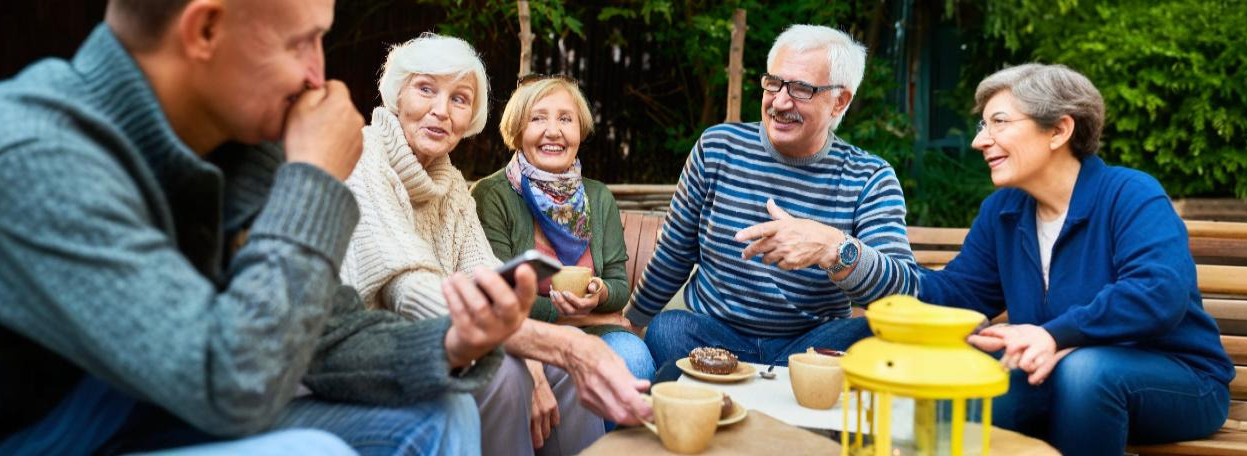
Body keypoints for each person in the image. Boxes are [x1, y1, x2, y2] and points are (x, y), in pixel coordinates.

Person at [0, 0, 532, 454]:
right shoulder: (29, 155)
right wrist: (315, 184)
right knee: (307, 452)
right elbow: (233, 383)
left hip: (113, 418)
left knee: (439, 416)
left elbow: (324, 337)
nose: (320, 74)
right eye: (304, 42)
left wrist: (450, 340)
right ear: (204, 28)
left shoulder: (235, 145)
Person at [336, 35, 651, 455]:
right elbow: (413, 293)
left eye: (459, 99)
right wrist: (558, 344)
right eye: (426, 88)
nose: (441, 111)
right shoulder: (364, 158)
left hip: (451, 345)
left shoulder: (451, 187)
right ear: (396, 93)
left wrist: (545, 362)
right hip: (370, 354)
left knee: (564, 373)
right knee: (508, 373)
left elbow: (492, 285)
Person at [911, 63, 1232, 455]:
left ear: (1060, 130)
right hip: (1051, 371)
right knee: (971, 387)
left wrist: (1056, 335)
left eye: (998, 122)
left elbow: (1157, 292)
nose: (981, 141)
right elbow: (958, 293)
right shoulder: (1003, 211)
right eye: (982, 125)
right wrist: (855, 263)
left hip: (1178, 378)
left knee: (1085, 372)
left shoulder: (1130, 194)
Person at [623, 24, 917, 375]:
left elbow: (904, 296)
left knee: (877, 336)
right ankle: (772, 385)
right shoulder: (718, 147)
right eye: (774, 83)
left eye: (801, 89)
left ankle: (763, 383)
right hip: (714, 338)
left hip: (813, 347)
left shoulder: (869, 176)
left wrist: (834, 249)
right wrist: (631, 321)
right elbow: (675, 251)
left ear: (840, 100)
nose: (779, 101)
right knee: (668, 328)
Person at [471, 75, 658, 406]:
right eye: (538, 118)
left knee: (635, 361)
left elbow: (617, 285)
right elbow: (502, 297)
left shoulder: (598, 196)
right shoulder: (493, 195)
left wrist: (599, 295)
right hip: (525, 339)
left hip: (597, 333)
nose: (553, 131)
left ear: (579, 131)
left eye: (565, 119)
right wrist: (587, 318)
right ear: (517, 130)